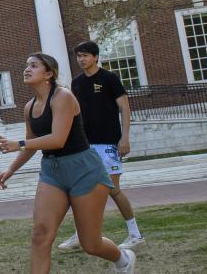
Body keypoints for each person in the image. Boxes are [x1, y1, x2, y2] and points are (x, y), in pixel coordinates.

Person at [0, 53, 136, 274]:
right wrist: (11, 168)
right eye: (26, 65)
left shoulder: (64, 97)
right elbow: (35, 145)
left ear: (49, 73)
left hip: (84, 169)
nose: (27, 69)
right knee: (40, 234)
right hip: (52, 171)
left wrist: (18, 143)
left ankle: (123, 259)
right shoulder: (29, 107)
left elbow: (58, 138)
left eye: (33, 65)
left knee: (90, 243)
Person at [58, 40, 143, 251]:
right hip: (85, 146)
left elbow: (124, 108)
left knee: (113, 190)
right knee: (81, 191)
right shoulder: (76, 83)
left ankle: (135, 234)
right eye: (78, 56)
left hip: (108, 144)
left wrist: (125, 138)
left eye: (85, 55)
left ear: (95, 57)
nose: (81, 59)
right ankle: (80, 235)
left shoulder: (109, 79)